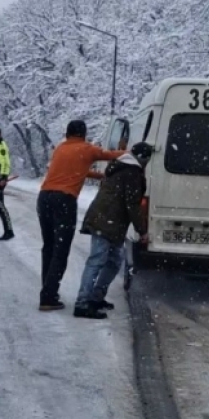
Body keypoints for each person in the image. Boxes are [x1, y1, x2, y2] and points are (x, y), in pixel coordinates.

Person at [36, 119, 126, 311]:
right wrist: (132, 153)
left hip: (44, 198)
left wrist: (100, 176)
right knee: (61, 250)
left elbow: (76, 171)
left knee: (49, 246)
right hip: (64, 201)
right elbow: (111, 155)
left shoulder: (60, 149)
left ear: (67, 134)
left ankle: (48, 291)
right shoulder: (87, 148)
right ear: (84, 134)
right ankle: (48, 297)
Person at [73, 142, 153, 320]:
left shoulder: (120, 166)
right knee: (97, 260)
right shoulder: (132, 172)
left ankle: (95, 297)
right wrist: (143, 231)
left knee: (114, 261)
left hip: (108, 220)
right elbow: (132, 204)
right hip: (107, 221)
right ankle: (83, 302)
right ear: (144, 159)